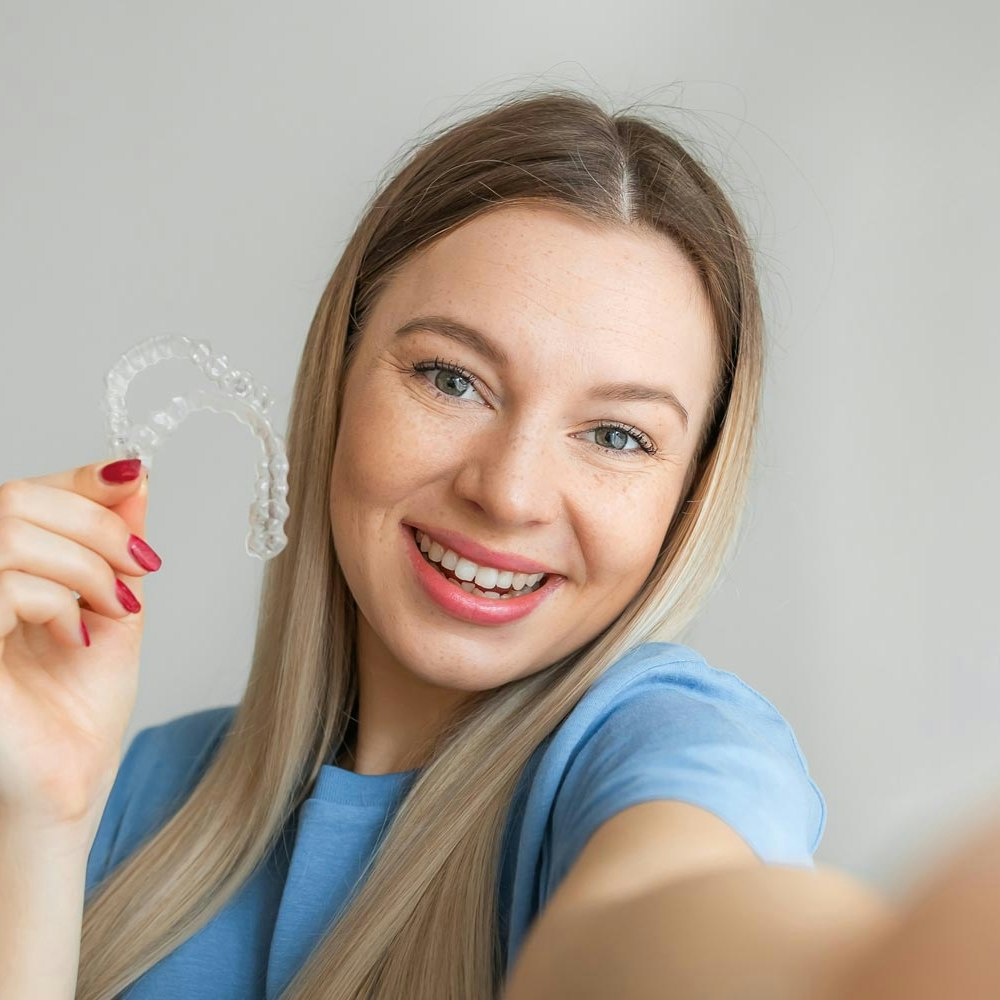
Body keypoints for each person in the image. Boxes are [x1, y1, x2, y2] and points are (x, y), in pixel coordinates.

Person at [2, 87, 997, 1000]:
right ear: (338, 377)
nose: (509, 491)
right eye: (452, 379)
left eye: (617, 436)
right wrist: (40, 818)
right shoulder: (133, 788)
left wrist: (869, 968)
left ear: (687, 497)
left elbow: (670, 903)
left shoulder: (666, 742)